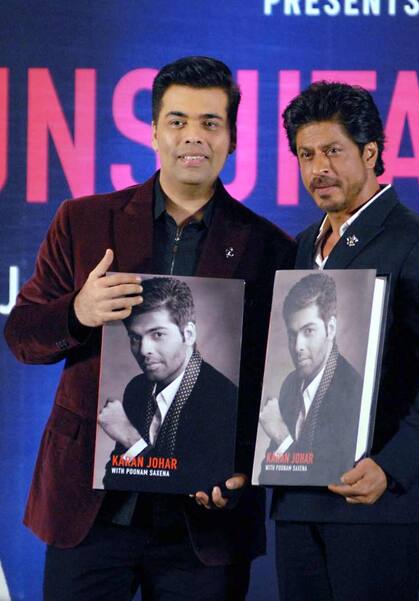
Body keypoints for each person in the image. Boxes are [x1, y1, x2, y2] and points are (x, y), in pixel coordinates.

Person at [4, 56, 295, 601]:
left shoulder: (269, 247)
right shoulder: (83, 221)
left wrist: (242, 469)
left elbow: (271, 384)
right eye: (178, 120)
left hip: (203, 523)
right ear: (155, 131)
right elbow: (22, 335)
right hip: (89, 512)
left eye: (210, 123)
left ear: (232, 138)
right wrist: (78, 312)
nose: (193, 136)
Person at [271, 81, 419, 601]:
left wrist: (391, 467)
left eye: (333, 151)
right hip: (296, 502)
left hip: (375, 502)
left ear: (371, 153)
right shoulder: (299, 248)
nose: (318, 168)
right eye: (306, 155)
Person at [99, 276, 238, 493]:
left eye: (157, 334)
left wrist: (131, 438)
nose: (144, 350)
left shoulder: (224, 399)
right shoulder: (137, 389)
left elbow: (198, 487)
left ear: (188, 334)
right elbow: (113, 479)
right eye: (135, 338)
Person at [259, 272, 363, 485]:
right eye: (292, 335)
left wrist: (281, 435)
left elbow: (331, 478)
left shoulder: (352, 391)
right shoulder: (290, 384)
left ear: (330, 329)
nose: (297, 346)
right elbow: (266, 475)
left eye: (308, 331)